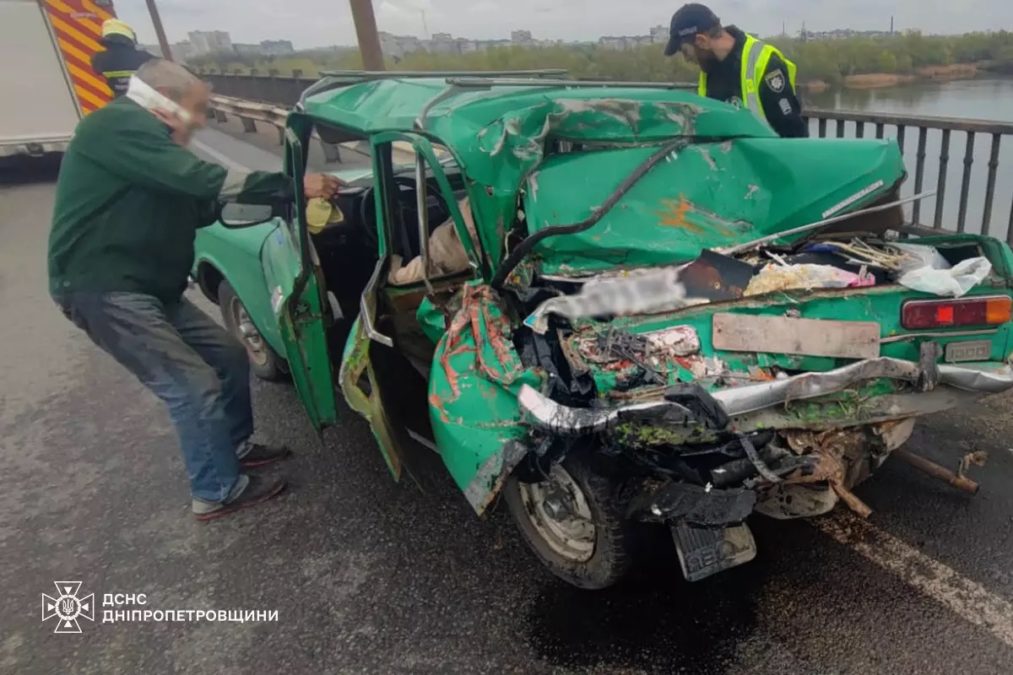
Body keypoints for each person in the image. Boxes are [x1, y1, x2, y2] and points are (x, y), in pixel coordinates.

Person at [49, 59, 341, 521]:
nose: (202, 120)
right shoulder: (116, 126)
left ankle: (234, 447)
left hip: (148, 288)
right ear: (165, 104)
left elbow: (200, 200)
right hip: (106, 289)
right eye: (197, 110)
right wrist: (292, 186)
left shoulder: (153, 146)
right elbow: (203, 181)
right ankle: (217, 491)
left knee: (226, 355)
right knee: (191, 383)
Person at [663, 3, 807, 138]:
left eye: (685, 51)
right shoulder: (709, 69)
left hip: (765, 162)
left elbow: (793, 135)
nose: (687, 59)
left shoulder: (765, 63)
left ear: (702, 41)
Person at [91, 19, 154, 97]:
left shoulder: (98, 59)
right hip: (143, 101)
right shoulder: (145, 58)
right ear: (129, 37)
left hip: (118, 102)